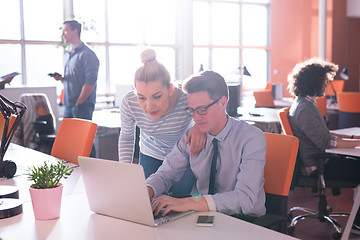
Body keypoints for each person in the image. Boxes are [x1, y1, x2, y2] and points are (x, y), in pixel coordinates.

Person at [146, 70, 266, 217]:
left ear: (223, 102)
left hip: (245, 219)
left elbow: (245, 199)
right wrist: (147, 189)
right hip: (204, 216)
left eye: (202, 110)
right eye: (192, 110)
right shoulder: (192, 136)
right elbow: (166, 174)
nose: (196, 118)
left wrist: (188, 203)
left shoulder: (251, 138)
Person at [119, 49, 206, 196]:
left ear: (170, 89)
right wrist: (124, 171)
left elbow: (213, 115)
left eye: (157, 96)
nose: (149, 106)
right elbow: (127, 137)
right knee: (149, 200)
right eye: (141, 97)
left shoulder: (187, 99)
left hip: (183, 156)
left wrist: (199, 127)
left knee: (178, 200)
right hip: (150, 154)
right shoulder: (129, 102)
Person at [287, 57, 360, 232]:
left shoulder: (305, 103)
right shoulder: (305, 108)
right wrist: (356, 143)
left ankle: (357, 221)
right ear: (315, 83)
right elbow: (325, 142)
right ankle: (356, 224)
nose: (326, 85)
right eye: (324, 81)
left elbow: (324, 134)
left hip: (321, 160)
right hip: (318, 165)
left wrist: (354, 139)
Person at [50, 19, 99, 121]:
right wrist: (61, 79)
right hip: (69, 105)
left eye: (65, 31)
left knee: (81, 137)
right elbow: (74, 79)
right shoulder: (68, 54)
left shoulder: (88, 54)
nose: (63, 34)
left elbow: (90, 82)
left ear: (75, 31)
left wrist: (79, 103)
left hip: (82, 106)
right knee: (67, 136)